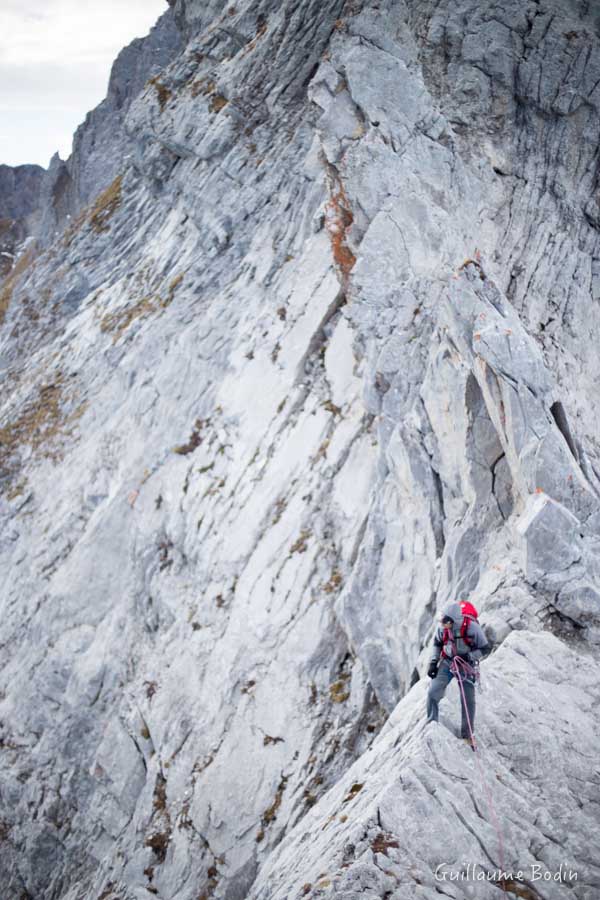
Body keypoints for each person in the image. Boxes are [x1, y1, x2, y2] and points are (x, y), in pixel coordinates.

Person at [426, 601, 489, 748]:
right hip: (447, 662)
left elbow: (485, 648)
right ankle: (431, 723)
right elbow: (437, 643)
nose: (441, 624)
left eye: (444, 621)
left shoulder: (471, 628)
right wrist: (433, 663)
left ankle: (467, 735)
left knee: (468, 700)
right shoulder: (443, 629)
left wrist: (470, 657)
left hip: (465, 664)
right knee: (432, 692)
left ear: (451, 621)